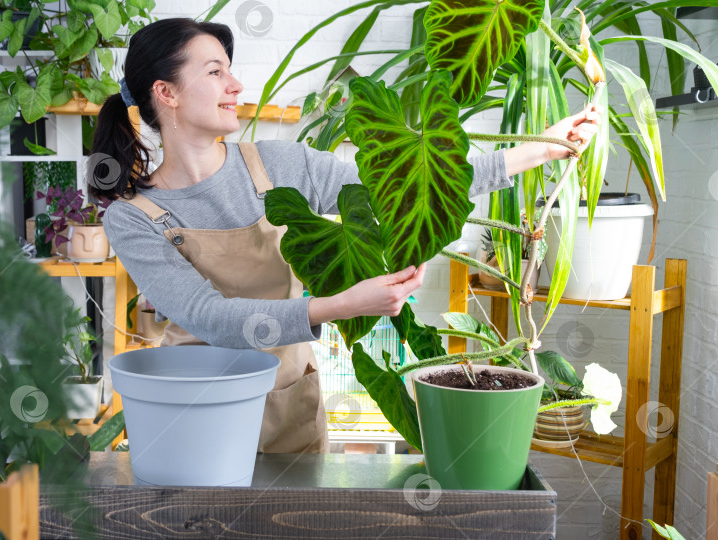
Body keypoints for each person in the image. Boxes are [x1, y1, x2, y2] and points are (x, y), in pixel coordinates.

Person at [89, 17, 601, 455]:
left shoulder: (278, 163)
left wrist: (544, 147)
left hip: (285, 394)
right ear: (167, 92)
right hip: (195, 408)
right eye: (215, 71)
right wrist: (340, 305)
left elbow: (405, 184)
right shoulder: (133, 217)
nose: (236, 86)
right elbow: (211, 319)